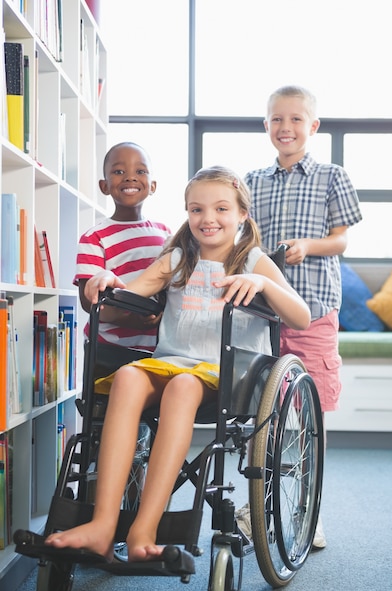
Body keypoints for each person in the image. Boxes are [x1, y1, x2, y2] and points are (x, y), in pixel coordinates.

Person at [45, 165, 311, 562]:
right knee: (130, 376)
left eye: (221, 209)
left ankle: (144, 528)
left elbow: (302, 317)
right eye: (196, 210)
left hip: (228, 373)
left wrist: (264, 284)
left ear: (242, 215)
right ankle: (102, 524)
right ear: (187, 214)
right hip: (171, 361)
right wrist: (106, 282)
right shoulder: (177, 258)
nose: (208, 219)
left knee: (183, 386)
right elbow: (130, 296)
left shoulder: (252, 260)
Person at [244, 85, 363, 548]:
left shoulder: (332, 176)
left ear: (312, 126)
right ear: (266, 126)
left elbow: (341, 240)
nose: (285, 128)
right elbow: (243, 238)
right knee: (262, 411)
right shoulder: (251, 181)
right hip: (263, 314)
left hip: (313, 309)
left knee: (308, 414)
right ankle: (259, 501)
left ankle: (307, 508)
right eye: (277, 119)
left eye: (295, 120)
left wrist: (307, 247)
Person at [74, 141, 171, 374]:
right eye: (119, 172)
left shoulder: (166, 234)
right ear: (104, 185)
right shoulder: (95, 237)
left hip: (159, 350)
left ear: (153, 185)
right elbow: (89, 302)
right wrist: (131, 319)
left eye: (140, 171)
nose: (130, 178)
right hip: (109, 351)